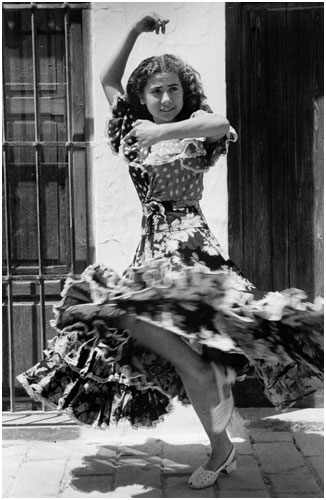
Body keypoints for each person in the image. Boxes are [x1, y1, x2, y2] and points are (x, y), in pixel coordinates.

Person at [17, 13, 323, 490]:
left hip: (194, 253)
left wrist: (163, 132)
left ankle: (220, 437)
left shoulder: (195, 131)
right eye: (156, 91)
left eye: (173, 90)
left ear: (185, 94)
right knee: (142, 333)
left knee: (203, 344)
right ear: (142, 96)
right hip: (152, 251)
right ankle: (217, 406)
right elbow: (106, 78)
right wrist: (136, 30)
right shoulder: (129, 129)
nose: (165, 98)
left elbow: (222, 122)